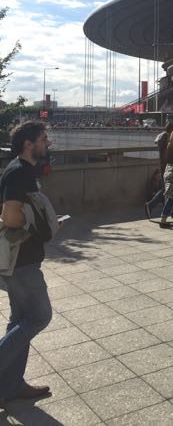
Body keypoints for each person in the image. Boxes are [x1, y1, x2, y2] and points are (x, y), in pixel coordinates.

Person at [0, 122, 58, 407]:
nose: (48, 143)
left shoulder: (23, 171)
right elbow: (10, 217)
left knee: (19, 320)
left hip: (23, 258)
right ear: (28, 144)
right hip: (21, 261)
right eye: (44, 139)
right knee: (39, 316)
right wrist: (35, 222)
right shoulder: (19, 173)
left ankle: (10, 386)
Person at [144, 123, 173, 217]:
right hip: (167, 166)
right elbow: (167, 151)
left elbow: (156, 142)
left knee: (168, 188)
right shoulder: (167, 137)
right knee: (168, 188)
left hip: (163, 165)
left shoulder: (161, 135)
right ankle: (150, 205)